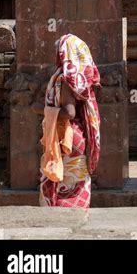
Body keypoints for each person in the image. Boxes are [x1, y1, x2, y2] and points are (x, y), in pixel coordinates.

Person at [32, 34, 101, 208]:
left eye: (59, 51)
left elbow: (69, 113)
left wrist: (41, 109)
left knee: (59, 182)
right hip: (77, 136)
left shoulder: (65, 80)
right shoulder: (81, 80)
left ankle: (61, 225)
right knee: (74, 184)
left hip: (65, 138)